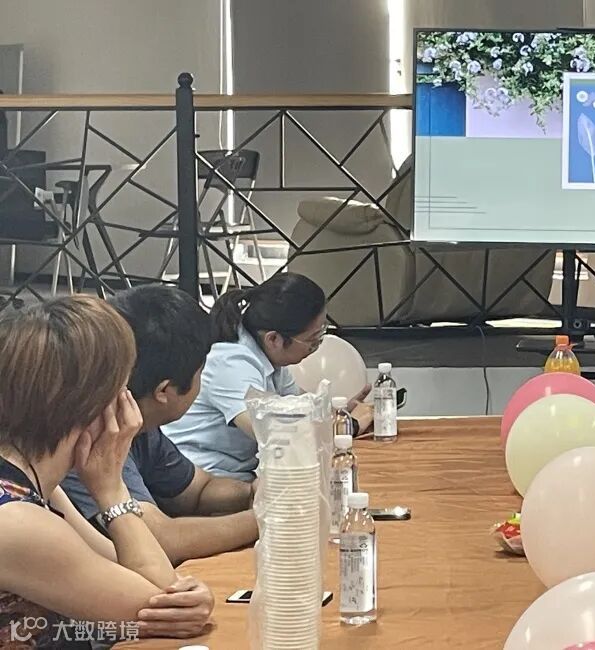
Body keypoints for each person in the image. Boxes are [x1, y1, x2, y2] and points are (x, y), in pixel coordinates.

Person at [0, 296, 213, 646]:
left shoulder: (34, 487)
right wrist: (110, 489)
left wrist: (188, 595)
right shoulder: (17, 520)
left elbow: (134, 576)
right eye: (123, 389)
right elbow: (163, 610)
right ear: (95, 403)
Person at [61, 286, 258, 564]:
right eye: (201, 372)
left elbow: (197, 491)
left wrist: (255, 491)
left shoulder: (136, 422)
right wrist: (267, 518)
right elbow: (161, 541)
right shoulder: (88, 435)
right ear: (164, 390)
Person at [164, 273, 371, 481]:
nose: (316, 347)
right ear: (274, 339)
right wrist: (351, 426)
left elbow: (303, 408)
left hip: (237, 477)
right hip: (204, 482)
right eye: (313, 340)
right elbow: (275, 435)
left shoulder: (268, 354)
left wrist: (340, 412)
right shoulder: (232, 363)